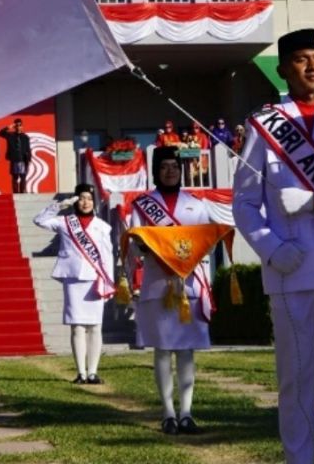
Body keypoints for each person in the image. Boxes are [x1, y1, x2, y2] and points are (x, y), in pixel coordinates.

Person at [233, 28, 314, 464]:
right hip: (291, 268)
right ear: (283, 69)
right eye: (302, 59)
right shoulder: (264, 125)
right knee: (297, 376)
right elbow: (246, 204)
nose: (313, 67)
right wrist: (270, 249)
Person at [125, 146, 212, 435]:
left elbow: (206, 244)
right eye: (164, 167)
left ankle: (187, 413)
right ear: (156, 171)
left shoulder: (196, 205)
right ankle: (168, 413)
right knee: (162, 350)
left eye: (175, 166)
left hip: (189, 287)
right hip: (157, 285)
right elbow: (134, 244)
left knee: (186, 351)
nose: (170, 171)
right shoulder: (142, 205)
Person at [33, 183, 114, 385]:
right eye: (82, 198)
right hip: (73, 279)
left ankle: (93, 372)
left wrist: (109, 282)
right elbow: (39, 220)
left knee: (95, 327)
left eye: (89, 198)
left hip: (95, 279)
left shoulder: (102, 227)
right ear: (76, 199)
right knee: (77, 327)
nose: (85, 202)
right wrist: (60, 205)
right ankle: (81, 373)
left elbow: (107, 256)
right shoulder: (65, 222)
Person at [0, 118, 33, 194]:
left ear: (22, 126)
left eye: (20, 125)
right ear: (14, 127)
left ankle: (22, 192)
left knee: (23, 177)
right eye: (16, 125)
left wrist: (29, 158)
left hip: (23, 159)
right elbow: (0, 133)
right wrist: (9, 127)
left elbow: (28, 148)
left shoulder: (25, 137)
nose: (18, 127)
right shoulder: (10, 135)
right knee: (15, 177)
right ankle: (16, 193)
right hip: (14, 159)